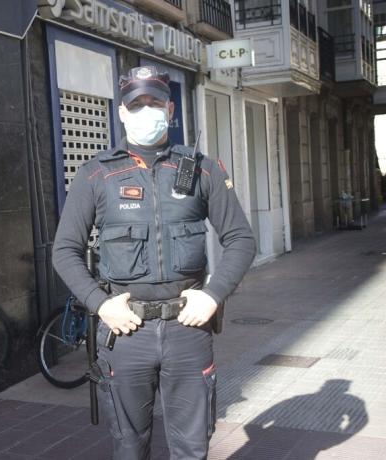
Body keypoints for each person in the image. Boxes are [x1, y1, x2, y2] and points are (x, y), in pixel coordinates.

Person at [52, 66, 256, 459]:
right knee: (130, 449)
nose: (147, 110)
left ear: (171, 108)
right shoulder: (97, 175)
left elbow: (240, 239)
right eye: (136, 104)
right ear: (122, 113)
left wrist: (212, 295)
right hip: (127, 335)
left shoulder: (202, 169)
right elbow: (65, 250)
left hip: (187, 332)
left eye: (155, 102)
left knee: (192, 448)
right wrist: (100, 304)